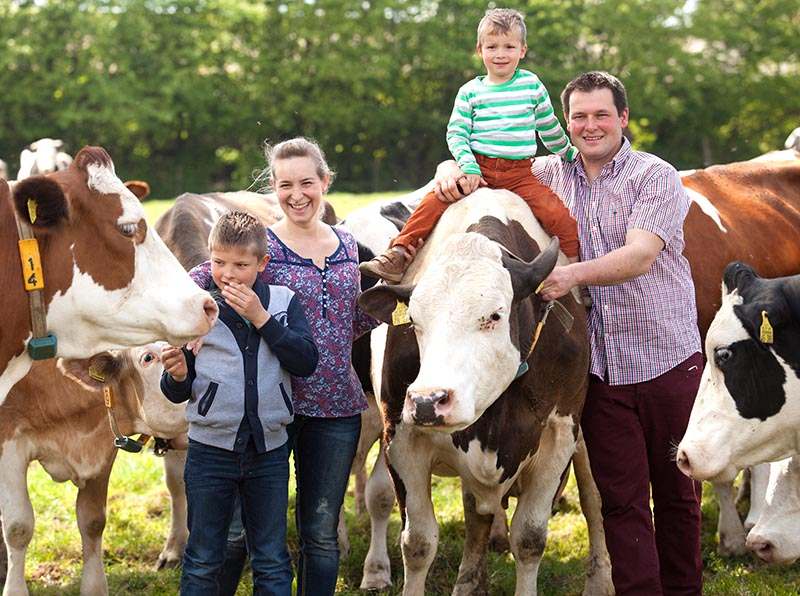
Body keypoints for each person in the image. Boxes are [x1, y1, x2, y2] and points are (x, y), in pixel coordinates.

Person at [438, 71, 702, 595]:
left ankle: (683, 590)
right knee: (621, 499)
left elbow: (641, 256)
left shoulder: (655, 176)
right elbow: (486, 176)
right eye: (578, 116)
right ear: (564, 122)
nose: (589, 126)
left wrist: (569, 276)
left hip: (664, 360)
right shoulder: (545, 173)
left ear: (623, 118)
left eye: (601, 114)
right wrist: (452, 166)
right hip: (596, 373)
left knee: (676, 494)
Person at [188, 138, 378, 596]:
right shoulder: (257, 248)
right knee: (236, 534)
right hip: (267, 409)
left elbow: (359, 316)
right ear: (273, 188)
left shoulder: (349, 246)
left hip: (335, 407)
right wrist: (190, 325)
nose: (297, 194)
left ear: (325, 182)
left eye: (307, 182)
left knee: (320, 532)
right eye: (285, 184)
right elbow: (192, 287)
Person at [359, 7, 580, 283]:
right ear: (480, 50)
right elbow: (457, 133)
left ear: (522, 50)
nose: (500, 54)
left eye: (509, 46)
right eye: (492, 46)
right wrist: (469, 167)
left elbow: (548, 128)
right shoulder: (470, 92)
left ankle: (575, 276)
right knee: (436, 201)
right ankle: (399, 254)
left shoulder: (531, 85)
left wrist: (568, 151)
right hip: (479, 167)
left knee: (559, 216)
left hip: (519, 174)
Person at [160, 211, 318, 596]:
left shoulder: (283, 303)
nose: (228, 274)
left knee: (271, 558)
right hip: (210, 454)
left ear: (262, 264)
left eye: (241, 265)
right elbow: (178, 391)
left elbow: (305, 361)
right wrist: (179, 374)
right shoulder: (199, 312)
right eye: (218, 263)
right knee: (202, 559)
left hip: (269, 453)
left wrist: (261, 318)